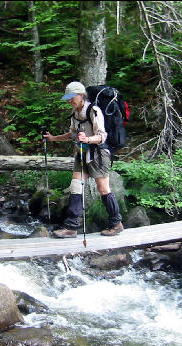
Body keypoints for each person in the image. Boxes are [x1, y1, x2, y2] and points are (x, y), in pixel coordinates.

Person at [43, 81, 123, 238]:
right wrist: (53, 138)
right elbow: (72, 134)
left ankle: (116, 223)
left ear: (81, 95)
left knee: (103, 189)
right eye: (68, 98)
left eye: (72, 97)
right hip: (82, 153)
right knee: (75, 186)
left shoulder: (94, 111)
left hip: (98, 154)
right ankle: (71, 227)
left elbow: (102, 136)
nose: (70, 101)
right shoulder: (75, 114)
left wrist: (87, 139)